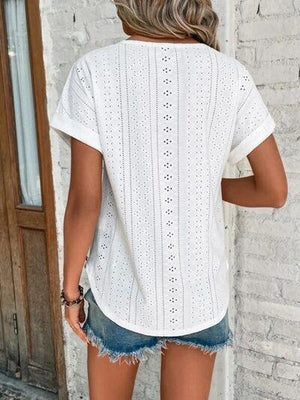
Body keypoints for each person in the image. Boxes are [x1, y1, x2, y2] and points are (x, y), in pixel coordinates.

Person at [50, 1, 288, 399]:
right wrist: (208, 185)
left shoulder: (94, 72)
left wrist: (71, 292)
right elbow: (274, 190)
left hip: (119, 287)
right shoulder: (230, 76)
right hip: (200, 294)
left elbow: (84, 201)